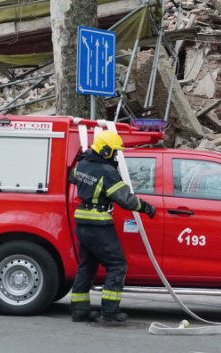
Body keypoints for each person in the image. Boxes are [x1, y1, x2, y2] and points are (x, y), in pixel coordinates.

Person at [69, 129, 156, 324]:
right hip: (98, 223)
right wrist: (147, 207)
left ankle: (79, 311)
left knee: (86, 266)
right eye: (114, 151)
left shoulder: (83, 163)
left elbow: (72, 177)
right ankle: (110, 311)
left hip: (82, 222)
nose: (116, 155)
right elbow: (125, 200)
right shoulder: (107, 171)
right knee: (117, 264)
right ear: (105, 150)